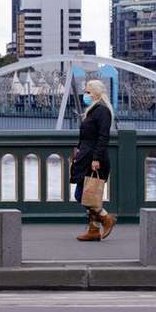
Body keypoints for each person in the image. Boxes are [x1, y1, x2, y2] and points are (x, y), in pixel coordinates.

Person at [70, 79, 117, 241]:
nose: (85, 95)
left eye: (88, 92)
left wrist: (96, 158)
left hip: (94, 160)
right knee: (89, 195)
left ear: (97, 93)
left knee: (82, 194)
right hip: (86, 158)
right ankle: (93, 230)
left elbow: (103, 137)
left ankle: (105, 218)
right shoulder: (92, 110)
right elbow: (86, 137)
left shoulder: (102, 111)